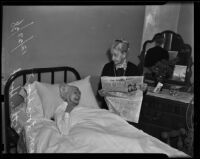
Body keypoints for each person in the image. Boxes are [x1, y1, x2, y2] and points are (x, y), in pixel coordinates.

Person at [97, 39, 140, 109]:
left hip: (127, 109)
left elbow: (138, 92)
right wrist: (101, 93)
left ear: (124, 54)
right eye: (111, 55)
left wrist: (143, 89)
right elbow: (100, 90)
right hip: (108, 108)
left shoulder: (134, 69)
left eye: (115, 55)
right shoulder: (107, 67)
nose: (112, 58)